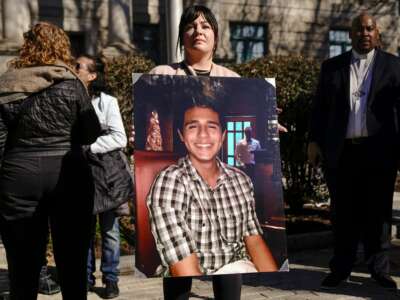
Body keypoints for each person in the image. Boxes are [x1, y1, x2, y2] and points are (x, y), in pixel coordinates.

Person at [147, 5, 245, 300]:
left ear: (216, 35)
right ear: (181, 36)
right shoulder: (162, 75)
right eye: (190, 26)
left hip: (220, 188)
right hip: (179, 187)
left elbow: (242, 132)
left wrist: (267, 131)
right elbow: (151, 128)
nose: (198, 31)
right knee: (178, 279)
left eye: (205, 26)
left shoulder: (234, 79)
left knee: (228, 276)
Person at [0, 22, 101, 300]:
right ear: (61, 47)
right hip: (68, 176)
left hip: (18, 177)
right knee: (73, 264)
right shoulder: (71, 82)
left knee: (22, 269)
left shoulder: (7, 83)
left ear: (26, 46)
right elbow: (90, 131)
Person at [308, 12, 400, 289]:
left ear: (378, 33)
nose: (364, 33)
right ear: (350, 34)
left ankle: (379, 270)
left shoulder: (394, 67)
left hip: (379, 150)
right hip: (342, 152)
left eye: (370, 28)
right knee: (343, 214)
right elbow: (320, 109)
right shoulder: (332, 67)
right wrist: (314, 141)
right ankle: (341, 268)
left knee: (379, 214)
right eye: (359, 29)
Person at [147, 97, 278, 277]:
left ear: (223, 135)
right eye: (193, 126)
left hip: (240, 270)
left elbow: (254, 241)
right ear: (181, 136)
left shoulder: (241, 181)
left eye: (212, 126)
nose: (203, 134)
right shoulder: (171, 182)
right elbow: (183, 267)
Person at [75, 55, 128, 299]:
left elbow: (120, 138)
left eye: (78, 67)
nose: (73, 69)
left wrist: (87, 147)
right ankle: (85, 279)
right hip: (82, 173)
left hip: (106, 174)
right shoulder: (70, 99)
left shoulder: (107, 102)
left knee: (109, 230)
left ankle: (111, 280)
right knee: (84, 231)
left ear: (92, 75)